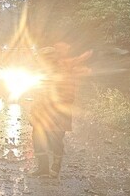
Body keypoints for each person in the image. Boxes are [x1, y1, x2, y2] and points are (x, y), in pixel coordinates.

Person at [29, 43, 92, 178]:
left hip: (58, 113)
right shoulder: (40, 73)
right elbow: (35, 92)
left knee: (56, 139)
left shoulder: (63, 72)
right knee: (38, 138)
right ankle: (43, 168)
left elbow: (69, 95)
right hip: (41, 113)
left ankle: (55, 168)